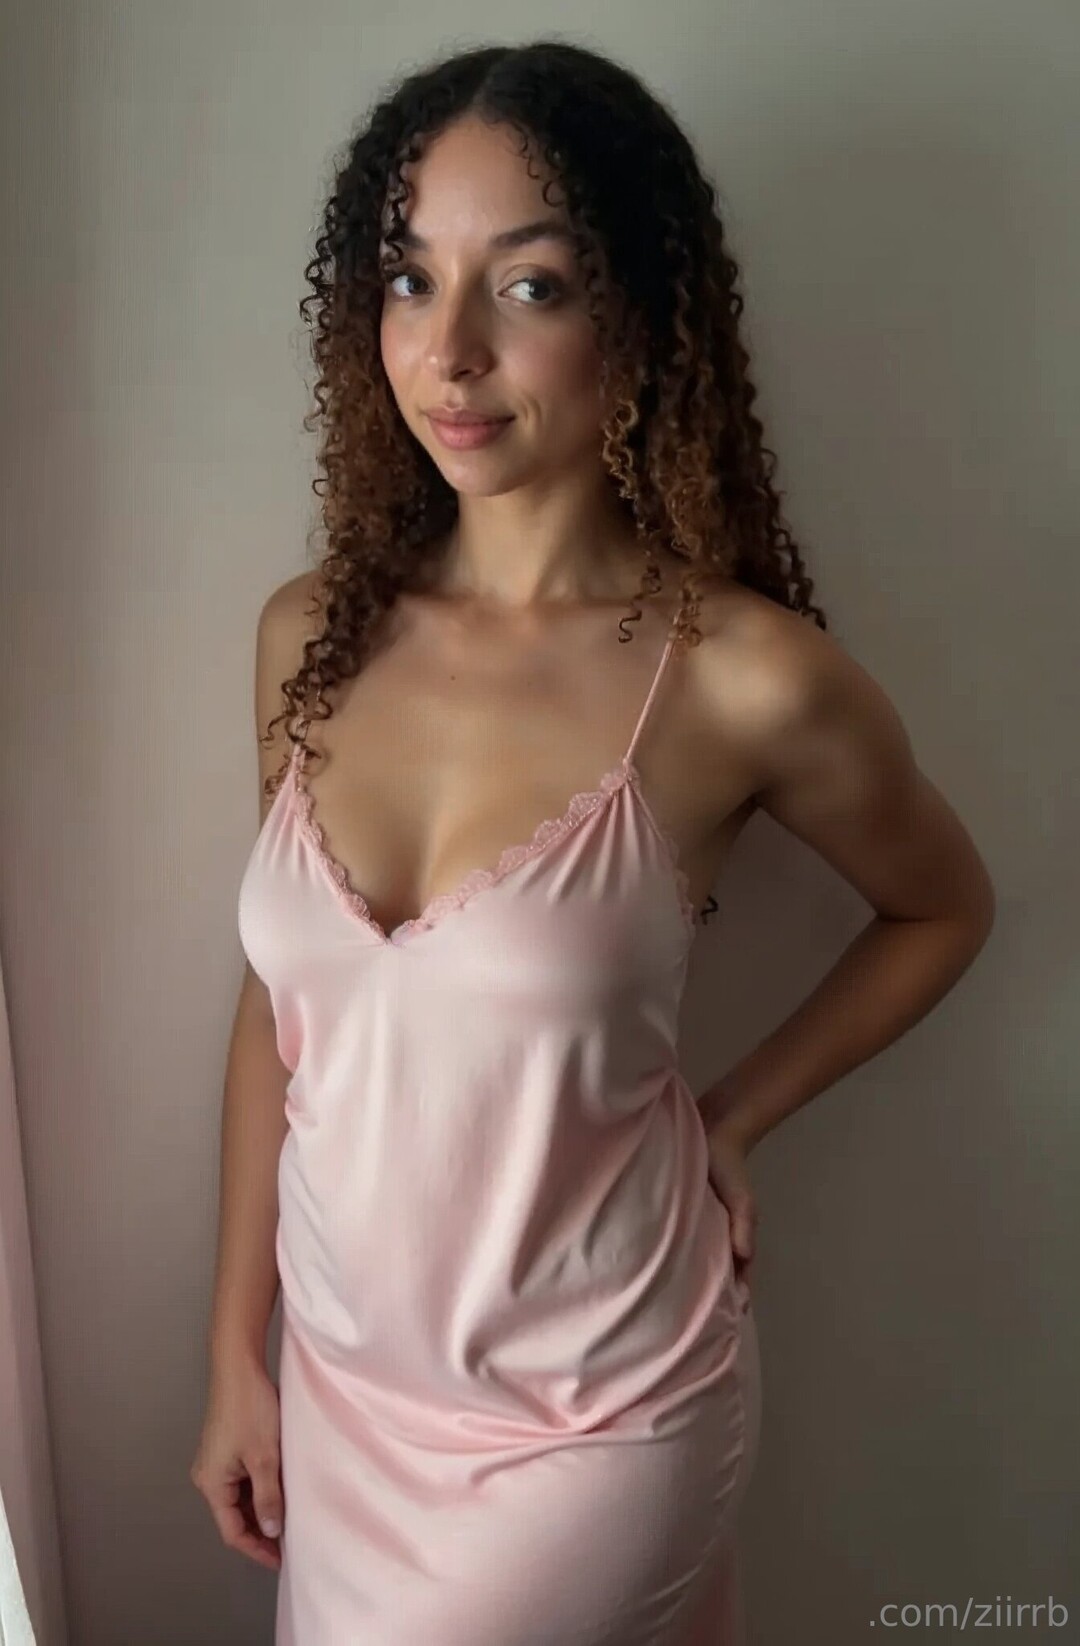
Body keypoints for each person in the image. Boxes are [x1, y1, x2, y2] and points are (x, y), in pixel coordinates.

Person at [190, 38, 996, 1646]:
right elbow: (283, 1010)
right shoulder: (308, 638)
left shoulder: (740, 677)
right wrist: (233, 1348)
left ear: (638, 313)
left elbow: (943, 907)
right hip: (341, 1388)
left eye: (530, 286)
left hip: (597, 1417)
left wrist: (736, 1115)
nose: (451, 351)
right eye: (409, 279)